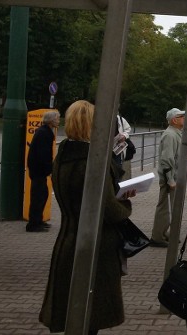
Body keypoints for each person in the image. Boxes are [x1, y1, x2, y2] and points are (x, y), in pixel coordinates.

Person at [39, 100, 136, 333]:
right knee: (91, 315)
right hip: (95, 245)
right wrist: (124, 201)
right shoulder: (92, 162)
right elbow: (109, 209)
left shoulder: (63, 157)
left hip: (68, 239)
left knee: (74, 311)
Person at [151, 107, 184, 247]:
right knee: (164, 207)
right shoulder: (170, 135)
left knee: (168, 207)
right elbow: (166, 159)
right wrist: (170, 179)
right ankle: (158, 236)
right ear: (174, 120)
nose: (184, 118)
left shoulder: (175, 133)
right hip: (169, 178)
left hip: (173, 177)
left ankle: (164, 233)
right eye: (181, 116)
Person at [27, 110, 60, 232]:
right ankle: (33, 224)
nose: (58, 120)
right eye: (57, 118)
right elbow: (43, 154)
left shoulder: (45, 132)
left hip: (38, 170)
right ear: (51, 120)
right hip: (38, 170)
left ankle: (38, 220)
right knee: (38, 197)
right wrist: (49, 168)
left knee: (43, 195)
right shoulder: (44, 133)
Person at [117, 113, 133, 180]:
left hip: (117, 152)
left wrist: (124, 135)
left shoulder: (120, 118)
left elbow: (128, 129)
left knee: (117, 172)